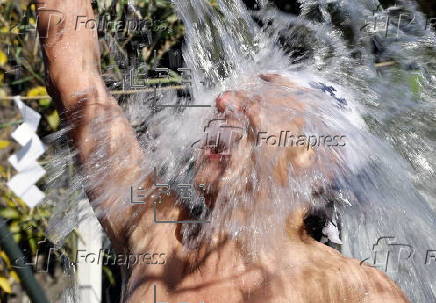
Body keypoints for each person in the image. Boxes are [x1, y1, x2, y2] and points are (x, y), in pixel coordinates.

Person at [37, 1, 409, 302]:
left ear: (313, 157)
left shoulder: (354, 289)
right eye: (235, 92)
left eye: (259, 100)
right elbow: (77, 79)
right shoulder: (155, 234)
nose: (224, 100)